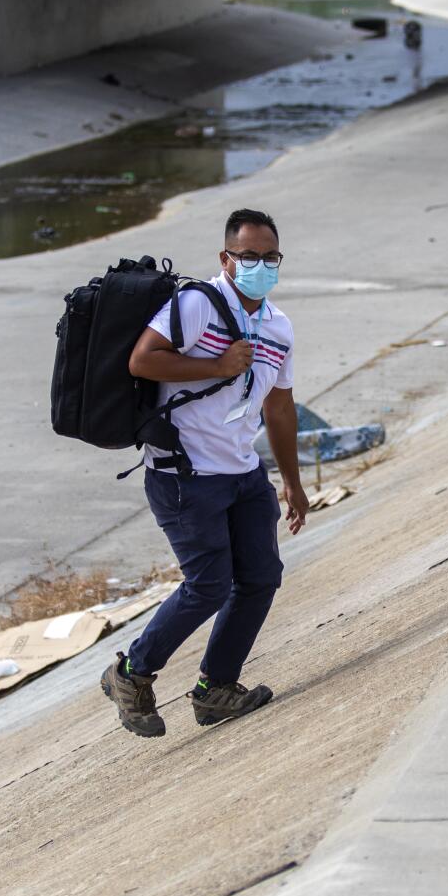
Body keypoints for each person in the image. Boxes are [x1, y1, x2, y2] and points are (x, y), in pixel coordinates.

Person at [99, 209, 309, 736]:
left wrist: (293, 480)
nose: (260, 266)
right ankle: (130, 672)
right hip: (183, 476)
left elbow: (280, 408)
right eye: (249, 256)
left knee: (260, 578)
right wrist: (216, 366)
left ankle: (216, 689)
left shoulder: (277, 327)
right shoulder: (195, 306)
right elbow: (143, 361)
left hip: (242, 473)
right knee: (208, 586)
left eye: (270, 257)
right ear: (226, 259)